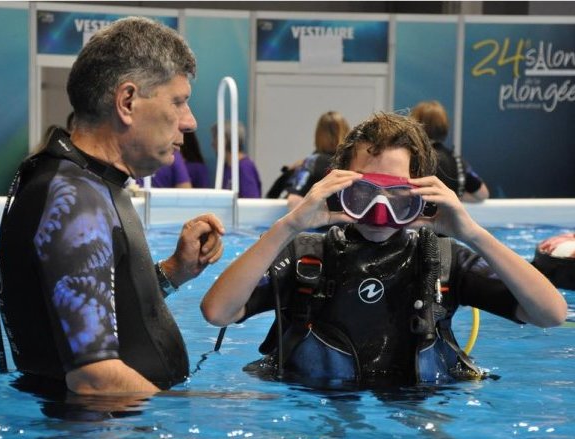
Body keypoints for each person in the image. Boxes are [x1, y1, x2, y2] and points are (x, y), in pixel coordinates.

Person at [201, 112, 566, 388]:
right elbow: (218, 311)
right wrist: (289, 225)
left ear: (423, 193)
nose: (380, 212)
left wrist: (472, 233)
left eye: (398, 198)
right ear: (338, 183)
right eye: (363, 193)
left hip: (414, 416)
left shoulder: (443, 259)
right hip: (317, 415)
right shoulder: (307, 255)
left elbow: (550, 314)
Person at [0, 16, 225, 397]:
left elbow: (99, 301)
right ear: (127, 101)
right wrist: (192, 421)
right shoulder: (75, 199)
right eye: (179, 101)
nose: (190, 121)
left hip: (119, 434)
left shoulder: (90, 183)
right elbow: (94, 379)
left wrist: (172, 273)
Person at [267, 111, 349, 210]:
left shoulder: (311, 162)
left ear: (318, 135)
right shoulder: (351, 164)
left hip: (312, 222)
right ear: (347, 132)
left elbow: (293, 200)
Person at [410, 100, 489, 203]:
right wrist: (453, 197)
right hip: (449, 217)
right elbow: (483, 193)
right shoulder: (457, 160)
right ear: (444, 126)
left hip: (421, 217)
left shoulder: (413, 158)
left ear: (416, 125)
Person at [211, 121, 262, 198]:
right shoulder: (226, 167)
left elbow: (251, 201)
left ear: (225, 140)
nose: (213, 144)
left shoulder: (245, 167)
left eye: (215, 139)